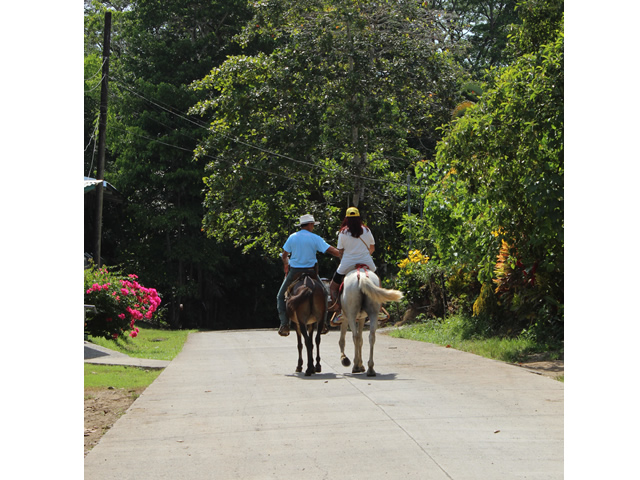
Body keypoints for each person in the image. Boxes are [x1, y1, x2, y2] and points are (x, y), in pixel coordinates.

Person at [277, 214, 341, 336]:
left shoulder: (292, 237)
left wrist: (286, 264)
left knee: (280, 296)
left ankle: (284, 324)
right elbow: (331, 250)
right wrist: (343, 253)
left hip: (295, 272)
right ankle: (322, 324)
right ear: (310, 225)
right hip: (311, 272)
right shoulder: (315, 238)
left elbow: (284, 255)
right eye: (313, 225)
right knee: (325, 293)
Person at [328, 207, 376, 313]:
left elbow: (340, 251)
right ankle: (380, 308)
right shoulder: (367, 230)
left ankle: (338, 310)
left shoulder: (343, 232)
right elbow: (372, 248)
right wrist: (364, 255)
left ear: (346, 218)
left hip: (347, 262)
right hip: (366, 261)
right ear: (359, 218)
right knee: (377, 281)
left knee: (332, 286)